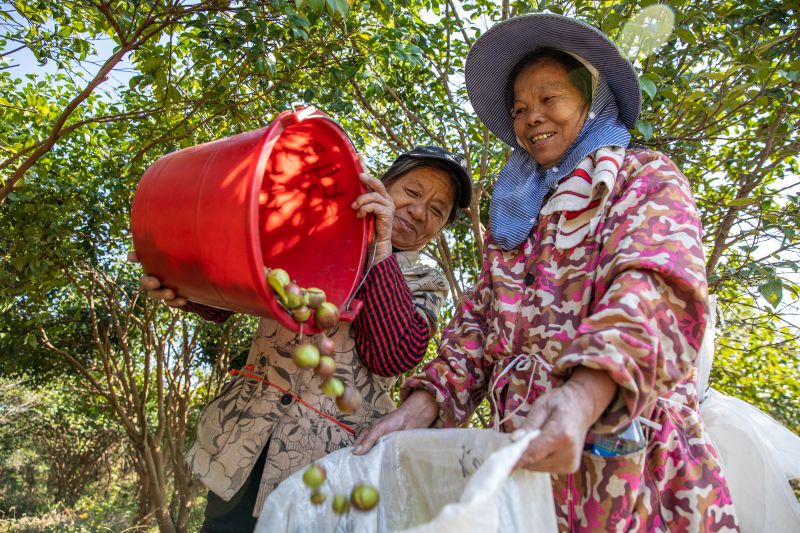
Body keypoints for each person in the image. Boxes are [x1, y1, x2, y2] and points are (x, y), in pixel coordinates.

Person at [353, 13, 740, 531]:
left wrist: (582, 396)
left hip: (627, 461)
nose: (532, 117)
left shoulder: (640, 179)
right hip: (525, 460)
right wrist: (422, 406)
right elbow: (478, 322)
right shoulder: (517, 217)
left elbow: (654, 286)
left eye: (549, 99)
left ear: (591, 100)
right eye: (519, 108)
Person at [133, 145, 472, 532]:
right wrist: (186, 290)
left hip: (327, 466)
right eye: (412, 193)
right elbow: (248, 285)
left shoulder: (426, 280)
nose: (418, 212)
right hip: (244, 445)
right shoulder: (315, 228)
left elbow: (391, 356)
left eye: (436, 211)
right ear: (383, 184)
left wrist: (381, 249)